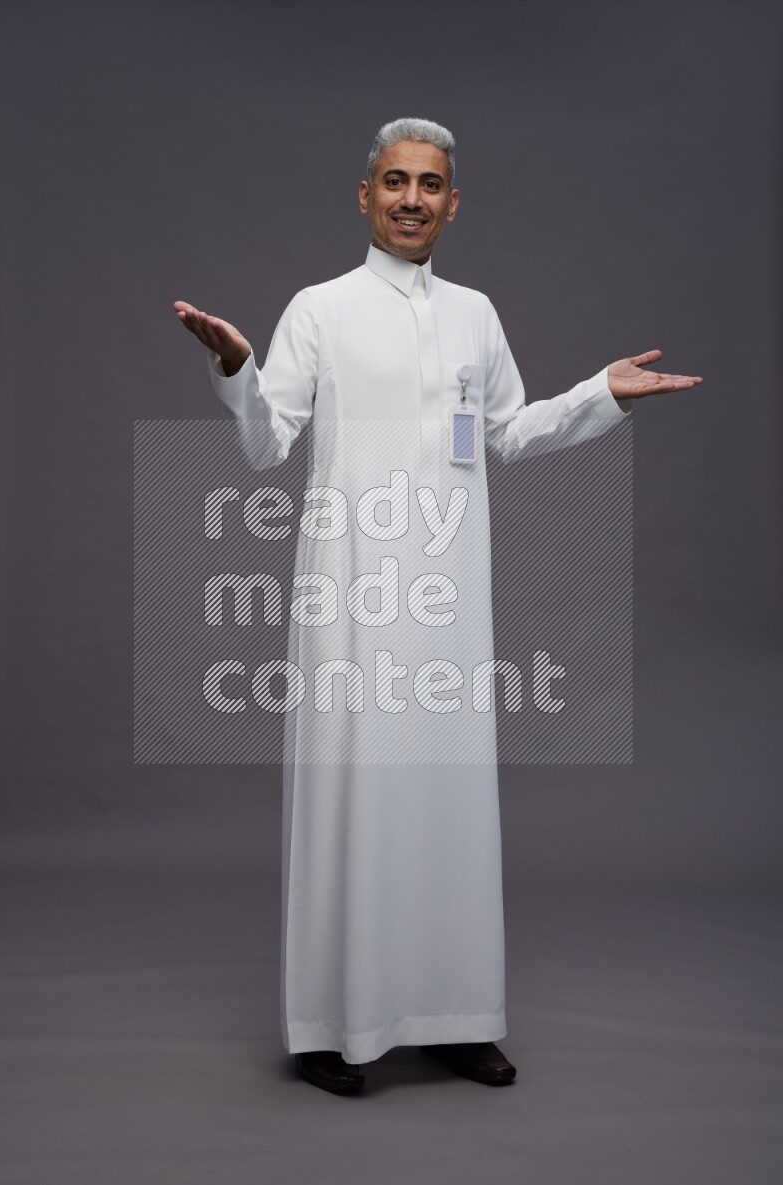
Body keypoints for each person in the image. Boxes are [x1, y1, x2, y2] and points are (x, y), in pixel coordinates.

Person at [174, 117, 702, 1095]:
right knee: (351, 799)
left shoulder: (472, 314)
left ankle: (456, 1018)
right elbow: (264, 444)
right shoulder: (321, 310)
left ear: (451, 203)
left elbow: (507, 432)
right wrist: (236, 369)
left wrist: (600, 394)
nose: (411, 198)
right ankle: (332, 1027)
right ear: (365, 196)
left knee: (448, 804)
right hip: (349, 600)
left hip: (449, 602)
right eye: (393, 182)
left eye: (429, 184)